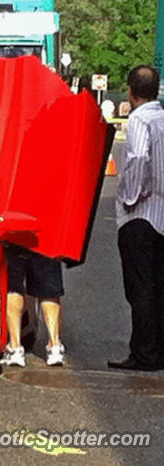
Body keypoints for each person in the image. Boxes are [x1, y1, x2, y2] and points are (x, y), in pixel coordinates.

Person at [108, 65, 164, 372]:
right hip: (162, 214)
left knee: (139, 287)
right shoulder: (163, 118)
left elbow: (139, 159)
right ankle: (158, 348)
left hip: (140, 215)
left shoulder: (140, 119)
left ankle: (143, 352)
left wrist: (128, 198)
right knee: (158, 284)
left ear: (130, 91)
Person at [0, 245, 65, 367]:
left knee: (13, 287)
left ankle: (15, 348)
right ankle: (54, 346)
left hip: (13, 233)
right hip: (46, 234)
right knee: (48, 288)